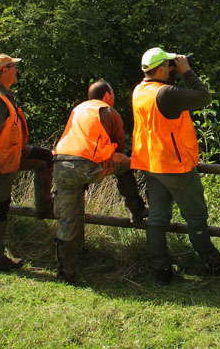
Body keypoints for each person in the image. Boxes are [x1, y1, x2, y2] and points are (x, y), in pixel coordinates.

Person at [131, 47, 220, 282]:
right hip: (175, 165)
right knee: (196, 215)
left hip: (151, 163)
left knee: (158, 218)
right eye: (169, 65)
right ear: (160, 69)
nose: (173, 67)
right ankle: (211, 264)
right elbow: (203, 96)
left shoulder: (140, 90)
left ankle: (161, 269)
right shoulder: (166, 93)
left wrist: (174, 69)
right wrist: (187, 72)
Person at [52, 79, 148, 283]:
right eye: (112, 94)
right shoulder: (109, 112)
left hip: (60, 164)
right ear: (106, 95)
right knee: (125, 164)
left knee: (67, 221)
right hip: (87, 166)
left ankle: (65, 272)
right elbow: (120, 149)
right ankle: (137, 208)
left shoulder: (77, 110)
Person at [0, 54, 54, 273]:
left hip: (9, 156)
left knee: (45, 158)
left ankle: (44, 208)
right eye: (13, 67)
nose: (16, 70)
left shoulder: (0, 94)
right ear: (4, 70)